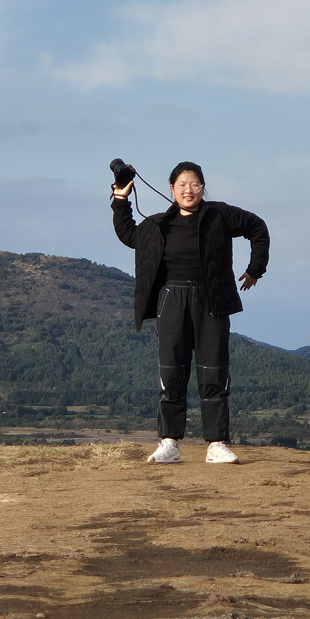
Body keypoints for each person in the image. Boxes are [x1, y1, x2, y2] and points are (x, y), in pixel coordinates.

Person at [111, 161, 269, 464]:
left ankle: (217, 444)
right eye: (182, 185)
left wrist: (255, 269)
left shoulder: (220, 215)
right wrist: (120, 198)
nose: (188, 190)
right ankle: (169, 443)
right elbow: (129, 235)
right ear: (171, 189)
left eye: (194, 184)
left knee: (214, 371)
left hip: (212, 300)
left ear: (203, 187)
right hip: (171, 298)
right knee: (172, 372)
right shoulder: (159, 224)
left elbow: (257, 228)